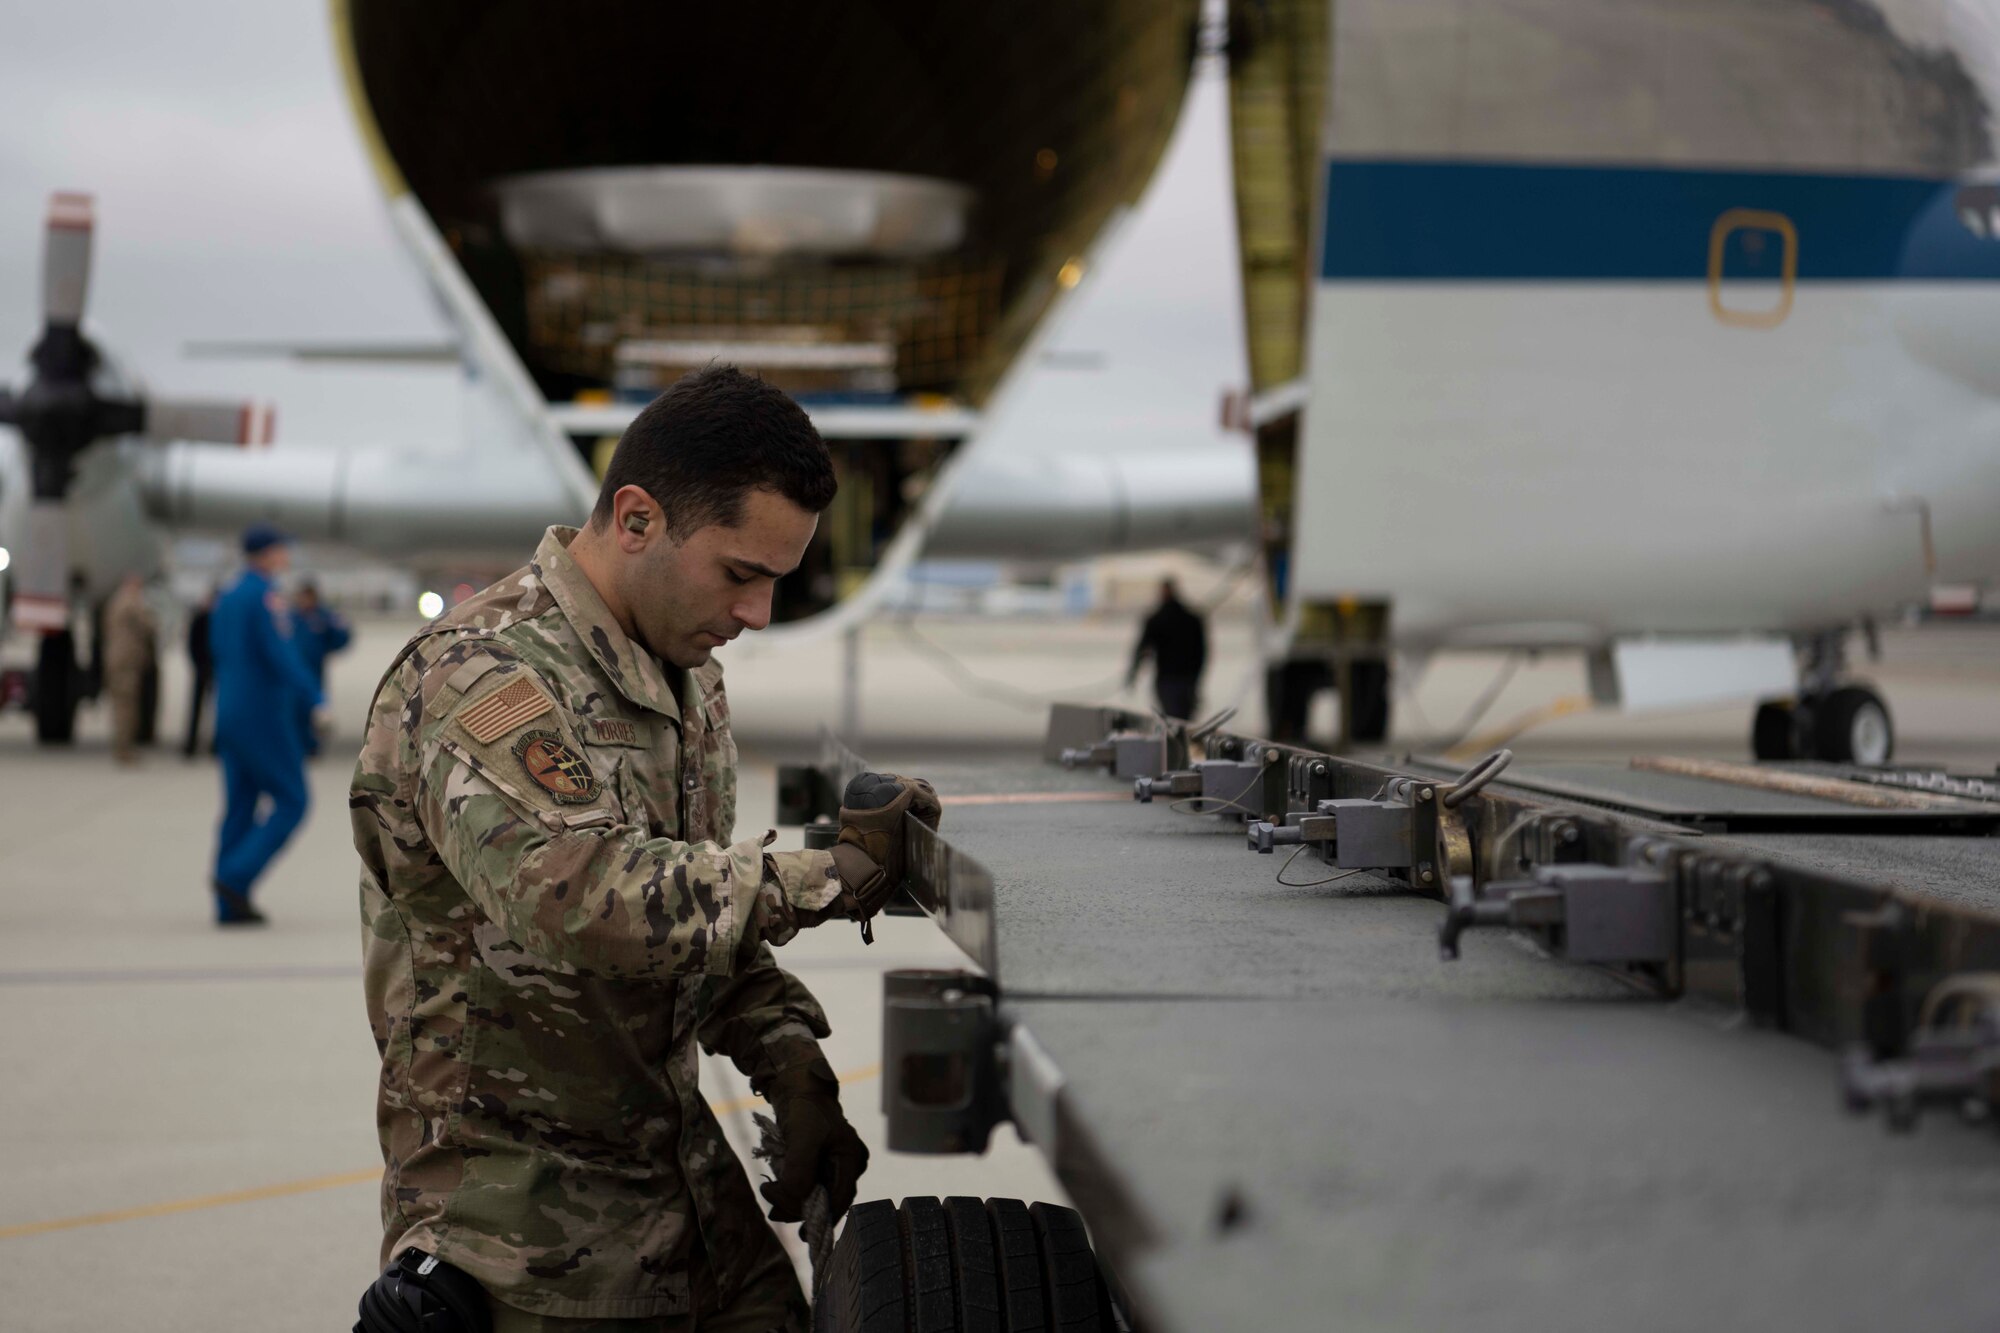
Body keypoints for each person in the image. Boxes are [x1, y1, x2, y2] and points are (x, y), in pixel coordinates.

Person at [350, 366, 940, 1333]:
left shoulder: (685, 677)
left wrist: (791, 1064)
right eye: (740, 573)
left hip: (688, 1205)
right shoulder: (480, 675)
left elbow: (697, 919)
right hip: (528, 1247)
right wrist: (830, 873)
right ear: (635, 520)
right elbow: (579, 894)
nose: (757, 614)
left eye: (775, 582)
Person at [210, 525, 326, 925]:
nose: (286, 557)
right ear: (269, 553)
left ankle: (229, 905)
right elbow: (282, 655)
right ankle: (234, 876)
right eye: (282, 549)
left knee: (240, 804)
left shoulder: (228, 595)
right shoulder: (265, 596)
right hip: (262, 713)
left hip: (228, 708)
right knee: (293, 800)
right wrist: (316, 699)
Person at [1127, 577, 1208, 720]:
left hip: (1168, 680)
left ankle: (1175, 741)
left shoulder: (1156, 619)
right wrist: (1196, 678)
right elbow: (1202, 653)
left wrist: (1132, 674)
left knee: (1172, 719)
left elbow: (1142, 649)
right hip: (1186, 679)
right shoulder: (1192, 619)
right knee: (1184, 719)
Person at [101, 572, 157, 765]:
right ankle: (124, 749)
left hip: (119, 660)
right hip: (126, 662)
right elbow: (149, 625)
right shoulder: (130, 602)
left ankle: (123, 747)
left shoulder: (116, 601)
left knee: (122, 705)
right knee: (126, 707)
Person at [290, 580, 351, 755]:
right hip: (294, 670)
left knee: (315, 707)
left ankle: (313, 745)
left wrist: (333, 644)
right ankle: (298, 744)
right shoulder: (292, 617)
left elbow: (340, 637)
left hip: (314, 669)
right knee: (295, 708)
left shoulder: (323, 617)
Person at [182, 587, 216, 757]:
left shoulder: (218, 620)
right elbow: (192, 645)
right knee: (196, 709)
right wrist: (198, 665)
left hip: (216, 671)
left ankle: (215, 745)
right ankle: (191, 744)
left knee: (215, 710)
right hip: (202, 669)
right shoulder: (200, 619)